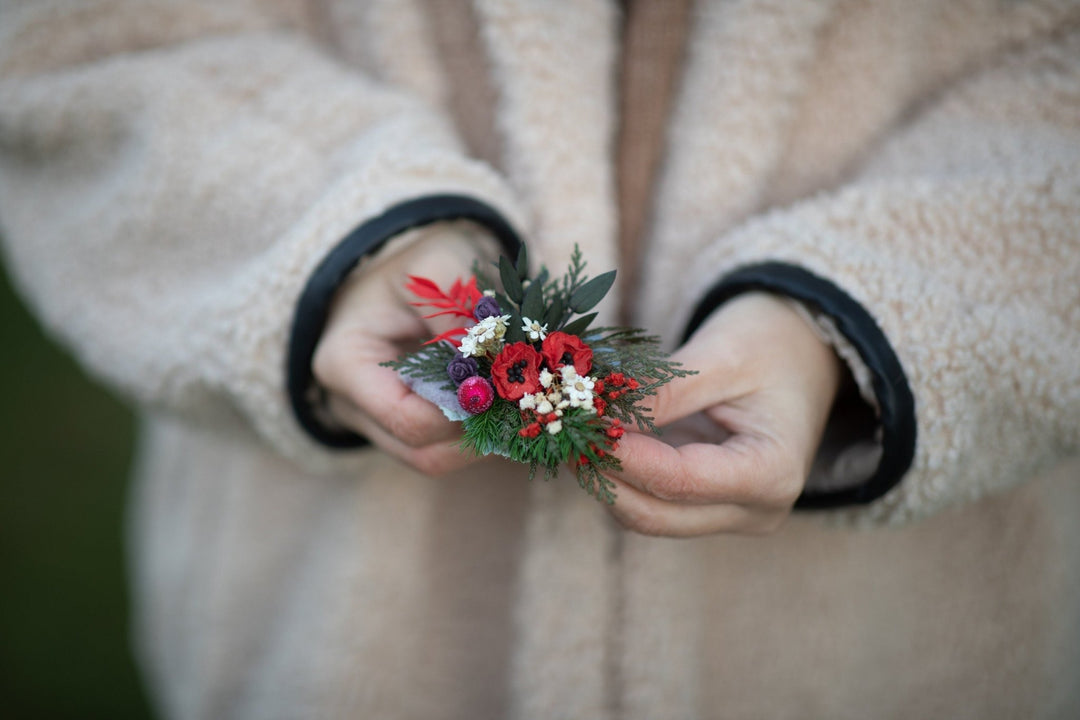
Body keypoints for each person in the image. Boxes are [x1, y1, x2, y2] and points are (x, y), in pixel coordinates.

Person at [2, 1, 1078, 717]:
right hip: (342, 631)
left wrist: (855, 327)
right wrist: (350, 237)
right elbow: (87, 40)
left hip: (893, 648)